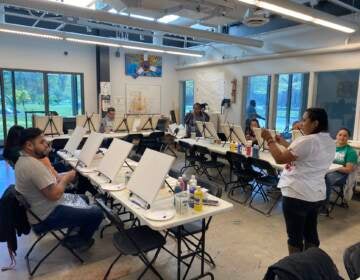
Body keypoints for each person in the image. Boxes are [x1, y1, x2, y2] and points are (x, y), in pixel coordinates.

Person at [261, 108, 335, 255]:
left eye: (304, 120)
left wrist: (269, 139)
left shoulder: (307, 141)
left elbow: (280, 159)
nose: (301, 124)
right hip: (315, 195)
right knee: (310, 231)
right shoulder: (328, 141)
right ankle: (311, 263)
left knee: (294, 237)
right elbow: (305, 154)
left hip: (297, 194)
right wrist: (283, 143)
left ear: (315, 123)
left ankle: (296, 268)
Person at [15, 128, 104, 250]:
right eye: (42, 142)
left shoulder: (23, 160)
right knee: (97, 213)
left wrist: (66, 176)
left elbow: (51, 181)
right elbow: (54, 195)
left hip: (43, 209)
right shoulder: (33, 166)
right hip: (47, 216)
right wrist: (67, 178)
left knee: (83, 198)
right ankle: (81, 240)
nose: (46, 144)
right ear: (29, 145)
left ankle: (74, 234)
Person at [324, 128, 358, 210]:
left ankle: (323, 208)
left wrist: (336, 167)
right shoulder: (330, 147)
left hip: (341, 174)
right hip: (327, 170)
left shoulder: (350, 152)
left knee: (325, 180)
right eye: (340, 135)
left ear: (348, 138)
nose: (342, 137)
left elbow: (348, 169)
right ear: (336, 136)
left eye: (345, 136)